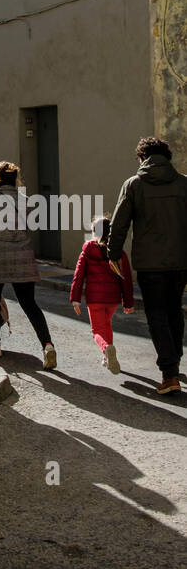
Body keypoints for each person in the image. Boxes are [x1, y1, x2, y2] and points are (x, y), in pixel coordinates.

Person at [108, 136, 187, 395]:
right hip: (180, 261)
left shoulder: (134, 184)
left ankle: (169, 373)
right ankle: (173, 360)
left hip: (150, 263)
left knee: (156, 313)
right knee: (174, 309)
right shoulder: (183, 183)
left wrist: (113, 254)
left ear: (142, 158)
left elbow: (119, 223)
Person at [0, 160, 57, 369]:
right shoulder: (27, 201)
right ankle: (47, 344)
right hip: (23, 259)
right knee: (30, 304)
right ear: (16, 180)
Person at [70, 216, 135, 373]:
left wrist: (75, 299)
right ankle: (108, 357)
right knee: (106, 325)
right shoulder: (118, 253)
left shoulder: (86, 251)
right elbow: (126, 279)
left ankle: (106, 349)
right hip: (112, 299)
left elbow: (78, 276)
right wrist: (128, 302)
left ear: (94, 232)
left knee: (97, 331)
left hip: (95, 299)